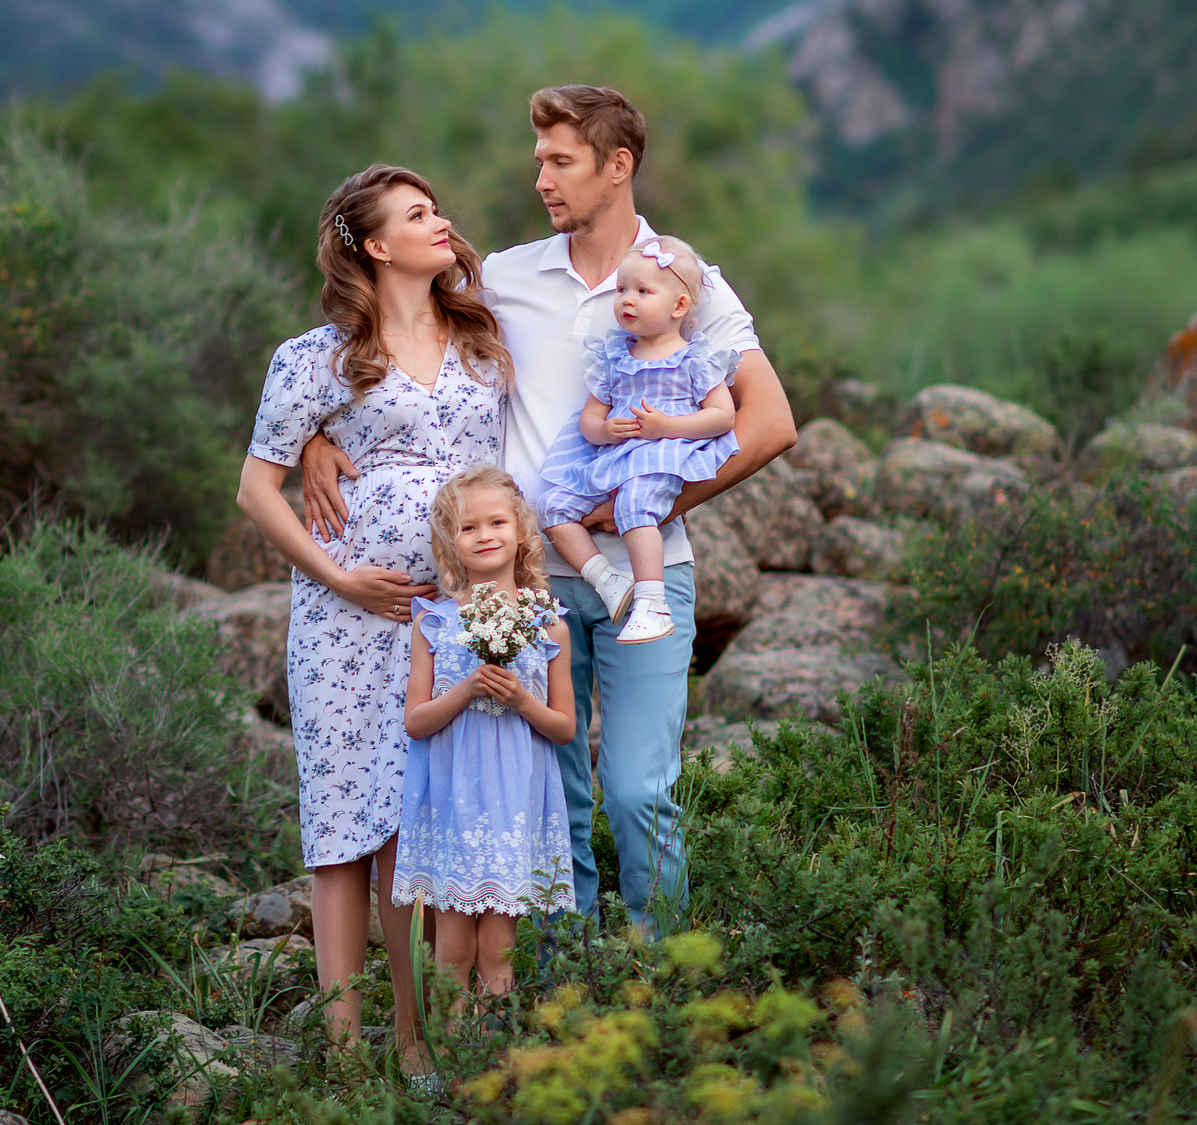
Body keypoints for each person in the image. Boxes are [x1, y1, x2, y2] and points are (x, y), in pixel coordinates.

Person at [302, 87, 797, 932]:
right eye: (538, 161)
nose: (542, 179)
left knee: (641, 791)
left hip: (646, 575)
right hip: (522, 588)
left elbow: (771, 421)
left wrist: (648, 499)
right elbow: (395, 332)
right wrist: (316, 431)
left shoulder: (685, 278)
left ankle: (660, 986)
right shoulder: (506, 274)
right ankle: (564, 991)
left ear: (618, 165)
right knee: (551, 800)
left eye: (560, 161)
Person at [238, 164, 513, 1069]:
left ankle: (412, 1039)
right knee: (343, 823)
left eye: (440, 208)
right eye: (418, 215)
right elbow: (256, 488)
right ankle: (344, 1050)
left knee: (412, 819)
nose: (442, 224)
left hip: (449, 619)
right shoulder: (315, 357)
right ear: (374, 246)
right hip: (344, 620)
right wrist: (339, 575)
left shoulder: (482, 338)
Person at [394, 467, 578, 1011]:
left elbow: (565, 728)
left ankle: (492, 1072)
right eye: (468, 527)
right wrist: (468, 689)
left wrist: (522, 700)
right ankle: (447, 1067)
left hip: (513, 803)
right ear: (451, 542)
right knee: (450, 948)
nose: (484, 535)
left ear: (521, 530)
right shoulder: (434, 621)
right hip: (455, 802)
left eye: (496, 522)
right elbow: (416, 722)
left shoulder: (548, 623)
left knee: (498, 947)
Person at [534, 234, 740, 646]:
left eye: (643, 291)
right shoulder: (614, 355)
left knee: (634, 503)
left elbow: (723, 416)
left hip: (662, 452)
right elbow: (591, 417)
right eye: (623, 289)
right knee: (552, 506)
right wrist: (605, 430)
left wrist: (668, 427)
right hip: (613, 455)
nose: (627, 299)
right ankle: (606, 578)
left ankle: (653, 603)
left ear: (679, 307)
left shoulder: (693, 358)